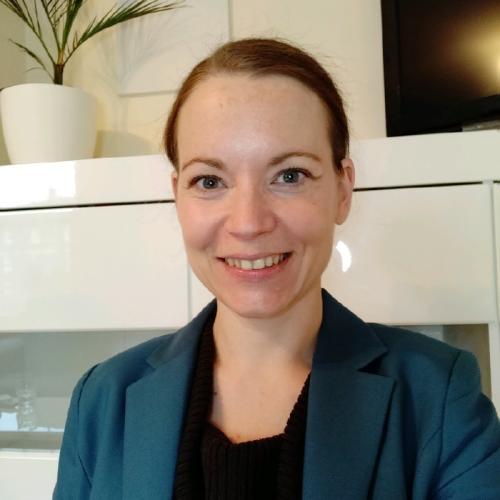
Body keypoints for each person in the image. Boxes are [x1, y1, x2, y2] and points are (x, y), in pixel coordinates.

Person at [53, 38, 500, 500]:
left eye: (289, 175)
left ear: (343, 190)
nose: (249, 223)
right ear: (177, 195)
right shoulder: (102, 400)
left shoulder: (438, 397)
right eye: (209, 180)